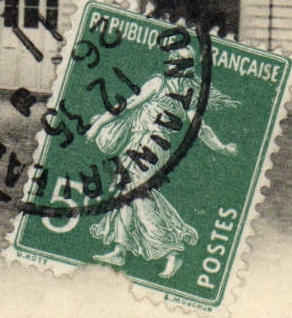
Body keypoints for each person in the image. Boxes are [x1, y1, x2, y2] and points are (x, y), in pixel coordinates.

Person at [85, 46, 238, 279]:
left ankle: (172, 251)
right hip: (139, 144)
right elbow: (129, 104)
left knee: (140, 198)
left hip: (152, 148)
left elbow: (199, 126)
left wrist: (221, 147)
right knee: (125, 192)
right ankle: (120, 249)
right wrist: (98, 126)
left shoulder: (178, 90)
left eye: (179, 61)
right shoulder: (164, 85)